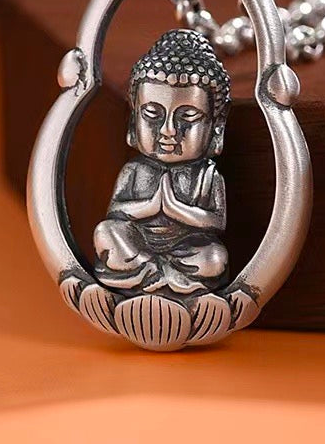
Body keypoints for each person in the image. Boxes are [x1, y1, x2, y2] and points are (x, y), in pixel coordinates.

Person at [93, 29, 230, 296]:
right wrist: (150, 207)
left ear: (216, 126)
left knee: (215, 257)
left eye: (187, 117)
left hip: (186, 248)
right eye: (152, 114)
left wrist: (176, 209)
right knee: (105, 232)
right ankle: (159, 274)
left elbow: (216, 223)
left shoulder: (208, 175)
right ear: (133, 121)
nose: (168, 130)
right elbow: (116, 212)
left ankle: (149, 274)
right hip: (137, 243)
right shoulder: (134, 170)